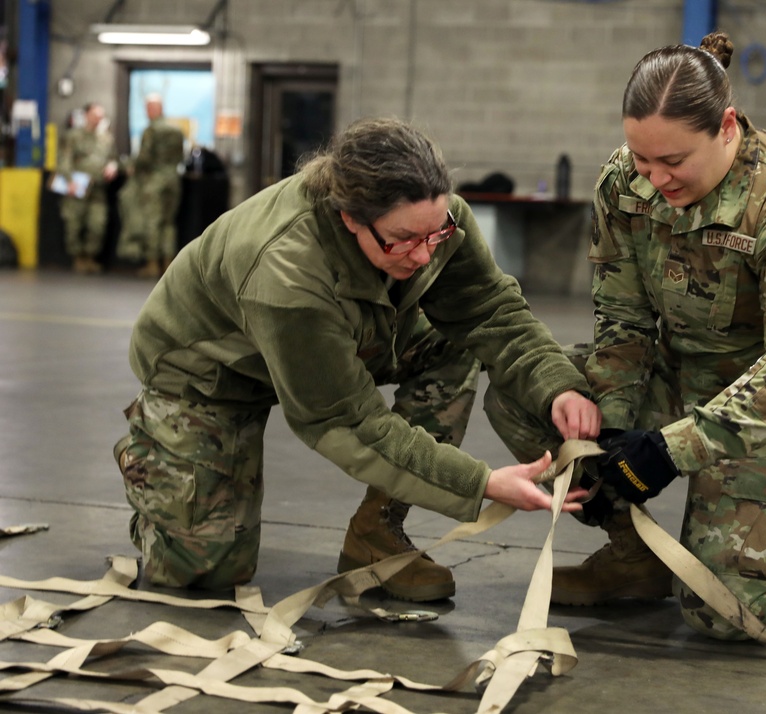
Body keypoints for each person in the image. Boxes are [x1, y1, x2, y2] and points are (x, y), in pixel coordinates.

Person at [486, 32, 766, 640]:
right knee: (530, 392)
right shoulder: (623, 184)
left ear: (727, 127)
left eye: (673, 162)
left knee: (731, 613)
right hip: (678, 376)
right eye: (641, 159)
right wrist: (608, 437)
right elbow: (623, 324)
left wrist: (664, 451)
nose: (654, 179)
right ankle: (635, 558)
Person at [114, 117, 600, 598]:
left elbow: (490, 308)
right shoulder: (287, 271)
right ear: (350, 217)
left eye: (434, 234)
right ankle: (158, 467)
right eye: (403, 240)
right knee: (203, 572)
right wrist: (481, 483)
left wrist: (557, 383)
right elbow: (348, 422)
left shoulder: (435, 220)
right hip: (210, 376)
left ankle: (377, 532)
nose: (423, 256)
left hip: (337, 338)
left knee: (453, 341)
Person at [117, 93, 185, 279]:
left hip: (154, 181)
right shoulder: (176, 130)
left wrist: (131, 167)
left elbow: (144, 158)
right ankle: (169, 264)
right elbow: (181, 157)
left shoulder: (151, 130)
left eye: (148, 108)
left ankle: (152, 264)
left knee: (153, 222)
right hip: (173, 181)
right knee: (169, 223)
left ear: (154, 109)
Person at [56, 102, 118, 274]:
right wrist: (68, 180)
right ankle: (78, 258)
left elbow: (113, 158)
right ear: (86, 115)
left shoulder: (106, 139)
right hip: (77, 188)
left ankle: (90, 258)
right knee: (74, 224)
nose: (98, 119)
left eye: (100, 116)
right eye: (94, 115)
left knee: (97, 224)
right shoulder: (73, 136)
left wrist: (112, 166)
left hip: (97, 189)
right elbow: (64, 159)